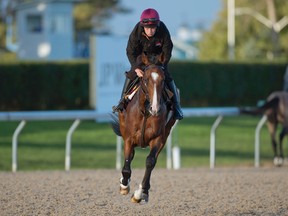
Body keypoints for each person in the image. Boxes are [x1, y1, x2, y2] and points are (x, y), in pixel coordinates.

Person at [112, 8, 183, 120]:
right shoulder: (136, 32)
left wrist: (162, 65)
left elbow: (168, 49)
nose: (150, 31)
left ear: (157, 26)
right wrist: (136, 68)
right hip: (142, 59)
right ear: (142, 26)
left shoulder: (163, 30)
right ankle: (122, 101)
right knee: (131, 75)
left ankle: (177, 106)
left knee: (167, 77)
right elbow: (130, 51)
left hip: (159, 59)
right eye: (147, 28)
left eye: (153, 28)